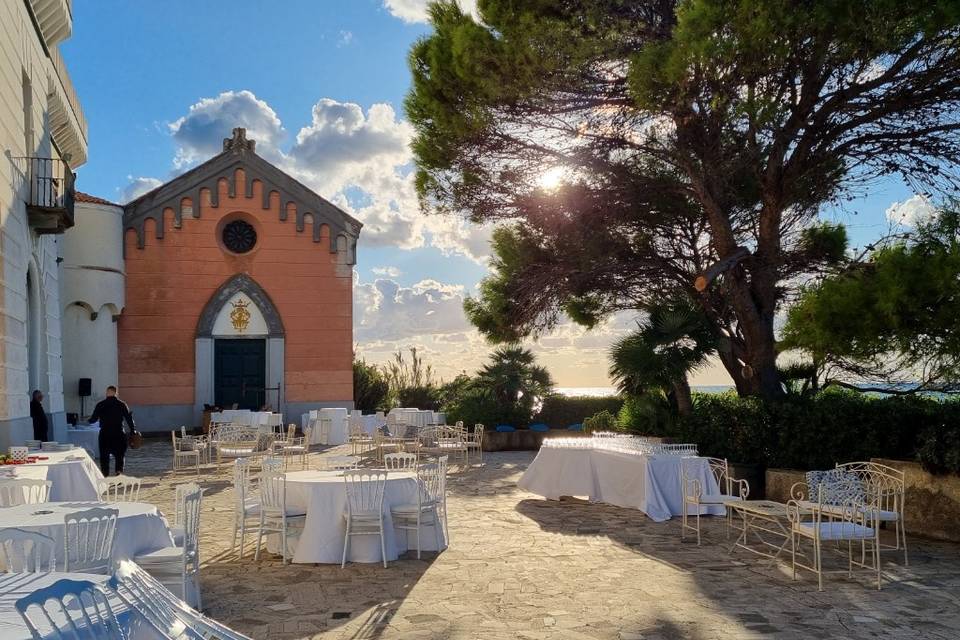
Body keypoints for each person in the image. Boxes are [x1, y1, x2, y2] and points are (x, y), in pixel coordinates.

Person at [89, 385, 136, 476]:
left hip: (105, 434)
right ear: (116, 393)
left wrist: (88, 420)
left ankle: (105, 476)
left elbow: (93, 419)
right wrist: (133, 430)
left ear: (107, 392)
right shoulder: (122, 404)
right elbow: (129, 419)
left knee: (104, 458)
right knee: (119, 456)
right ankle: (118, 476)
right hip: (119, 433)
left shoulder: (100, 404)